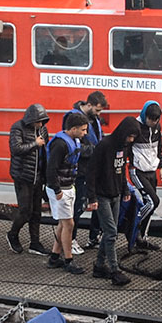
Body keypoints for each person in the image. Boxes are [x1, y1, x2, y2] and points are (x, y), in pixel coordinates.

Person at [88, 116, 142, 287]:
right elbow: (92, 172)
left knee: (111, 231)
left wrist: (125, 189)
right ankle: (114, 270)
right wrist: (92, 197)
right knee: (111, 232)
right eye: (130, 136)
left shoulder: (124, 147)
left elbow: (120, 170)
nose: (131, 140)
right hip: (102, 194)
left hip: (116, 194)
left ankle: (99, 265)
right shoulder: (104, 146)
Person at [46, 112, 93, 274]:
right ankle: (68, 259)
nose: (85, 133)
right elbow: (51, 169)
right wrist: (57, 190)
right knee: (69, 224)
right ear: (73, 129)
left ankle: (54, 257)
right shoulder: (60, 145)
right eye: (83, 130)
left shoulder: (74, 141)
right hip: (61, 190)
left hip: (69, 186)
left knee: (63, 224)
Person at [64, 90, 107, 252]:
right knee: (77, 206)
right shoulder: (73, 118)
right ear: (89, 105)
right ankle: (71, 239)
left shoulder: (94, 119)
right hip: (80, 170)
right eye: (97, 110)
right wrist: (94, 150)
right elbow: (73, 146)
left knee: (95, 202)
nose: (99, 114)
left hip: (93, 168)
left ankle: (93, 236)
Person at [7, 103, 51, 256]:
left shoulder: (43, 130)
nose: (41, 124)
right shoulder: (17, 128)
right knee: (25, 211)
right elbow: (16, 149)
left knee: (36, 212)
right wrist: (35, 144)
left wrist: (46, 176)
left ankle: (35, 242)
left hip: (38, 176)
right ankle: (13, 234)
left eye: (43, 121)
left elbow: (45, 154)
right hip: (23, 176)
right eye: (39, 121)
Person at [129, 101, 162, 249]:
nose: (153, 122)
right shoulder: (135, 127)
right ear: (145, 116)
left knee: (150, 204)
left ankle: (142, 238)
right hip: (138, 170)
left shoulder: (157, 127)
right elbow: (127, 146)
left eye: (156, 120)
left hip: (151, 169)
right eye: (151, 119)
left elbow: (159, 147)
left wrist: (161, 166)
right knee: (153, 202)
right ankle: (134, 224)